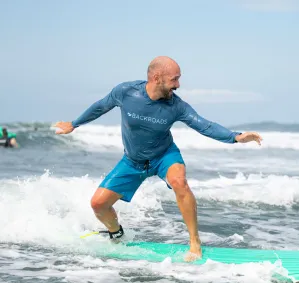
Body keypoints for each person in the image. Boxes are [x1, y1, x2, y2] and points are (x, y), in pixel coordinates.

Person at [54, 56, 262, 261]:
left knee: (180, 183)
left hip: (164, 155)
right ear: (156, 77)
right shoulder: (126, 92)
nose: (178, 85)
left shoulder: (176, 106)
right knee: (98, 204)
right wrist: (74, 123)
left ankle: (194, 242)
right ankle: (116, 233)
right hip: (132, 161)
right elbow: (100, 106)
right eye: (174, 79)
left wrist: (235, 137)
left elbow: (204, 125)